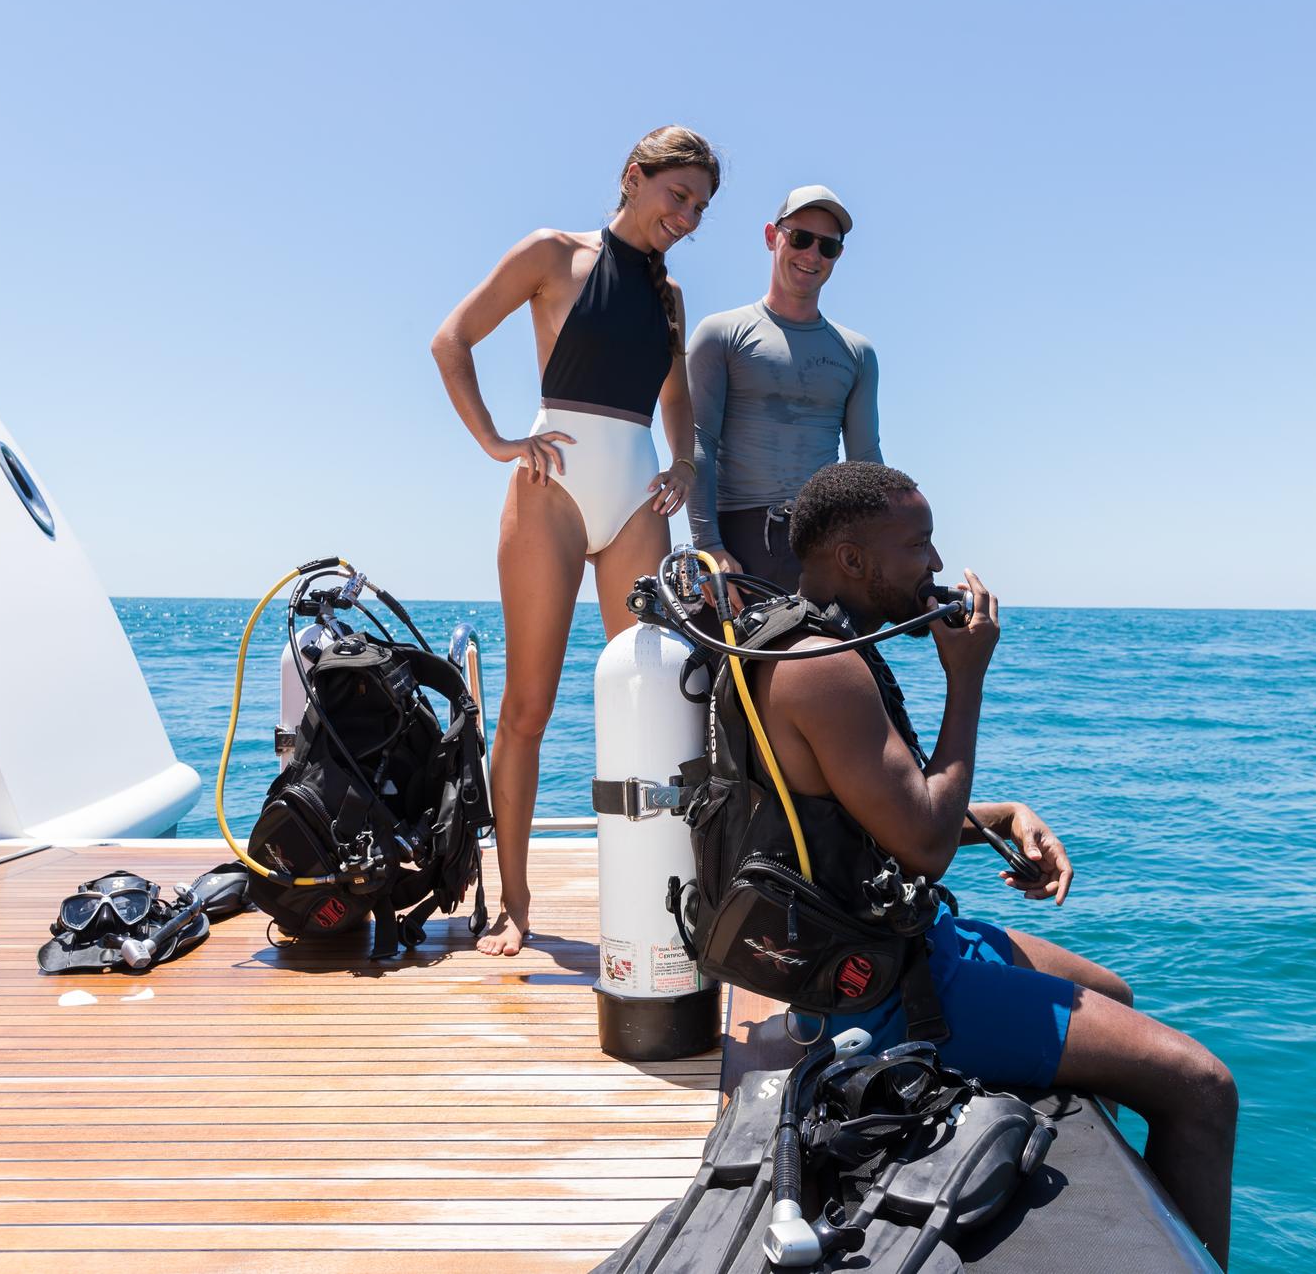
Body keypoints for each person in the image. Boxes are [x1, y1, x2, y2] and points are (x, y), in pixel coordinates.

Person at [742, 461, 1238, 1266]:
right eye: (919, 545)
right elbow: (924, 844)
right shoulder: (824, 669)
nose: (937, 566)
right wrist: (966, 680)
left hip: (906, 945)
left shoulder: (807, 640)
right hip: (880, 995)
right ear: (853, 558)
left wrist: (1000, 817)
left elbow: (872, 815)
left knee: (1112, 993)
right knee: (1203, 1086)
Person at [431, 126, 719, 957]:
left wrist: (687, 463)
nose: (688, 216)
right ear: (635, 177)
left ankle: (670, 900)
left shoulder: (667, 296)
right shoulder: (553, 255)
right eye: (679, 195)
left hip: (637, 498)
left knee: (658, 704)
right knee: (528, 708)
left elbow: (677, 399)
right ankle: (514, 904)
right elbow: (451, 339)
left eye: (700, 207)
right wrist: (495, 441)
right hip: (550, 490)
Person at [686, 185, 879, 591]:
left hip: (827, 544)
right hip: (739, 542)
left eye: (827, 246)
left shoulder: (857, 353)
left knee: (841, 656)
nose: (812, 255)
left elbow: (866, 462)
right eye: (801, 238)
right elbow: (699, 442)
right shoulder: (720, 334)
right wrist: (708, 546)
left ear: (838, 256)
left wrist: (892, 547)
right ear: (772, 236)